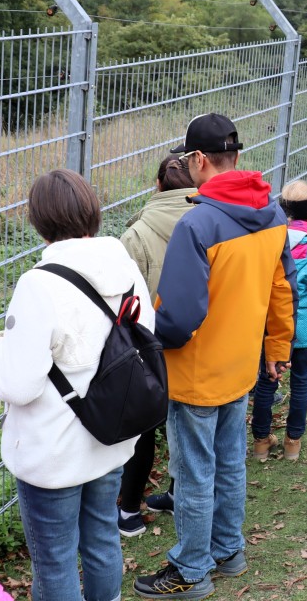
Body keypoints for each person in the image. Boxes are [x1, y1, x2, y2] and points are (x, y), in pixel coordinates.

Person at [136, 114, 296, 599]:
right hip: (241, 366)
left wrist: (150, 341)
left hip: (196, 375)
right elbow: (280, 288)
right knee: (229, 464)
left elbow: (180, 314)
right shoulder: (272, 213)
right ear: (237, 156)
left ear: (199, 160)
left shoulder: (198, 222)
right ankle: (228, 549)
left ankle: (190, 569)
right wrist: (277, 347)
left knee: (193, 473)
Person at [0, 169, 153, 601]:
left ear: (38, 219)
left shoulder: (39, 284)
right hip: (111, 436)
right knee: (101, 538)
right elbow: (143, 333)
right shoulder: (125, 265)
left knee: (56, 559)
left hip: (54, 452)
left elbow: (20, 385)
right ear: (91, 211)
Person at [116, 155, 195, 537]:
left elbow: (125, 296)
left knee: (144, 429)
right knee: (188, 423)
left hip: (150, 345)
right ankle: (183, 495)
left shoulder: (136, 234)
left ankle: (130, 511)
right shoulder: (211, 221)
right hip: (200, 339)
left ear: (158, 185)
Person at [251, 181, 307, 463]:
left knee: (266, 382)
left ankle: (261, 442)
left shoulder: (266, 243)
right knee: (300, 382)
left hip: (272, 325)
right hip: (304, 329)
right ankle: (293, 442)